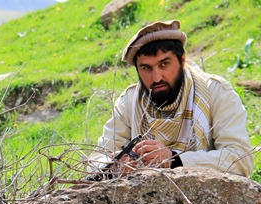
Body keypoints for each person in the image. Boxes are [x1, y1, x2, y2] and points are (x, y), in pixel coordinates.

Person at [88, 20, 254, 178]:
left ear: (182, 60)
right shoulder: (129, 102)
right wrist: (113, 165)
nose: (156, 77)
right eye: (146, 68)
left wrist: (174, 159)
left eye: (164, 64)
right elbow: (96, 159)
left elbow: (241, 159)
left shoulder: (216, 91)